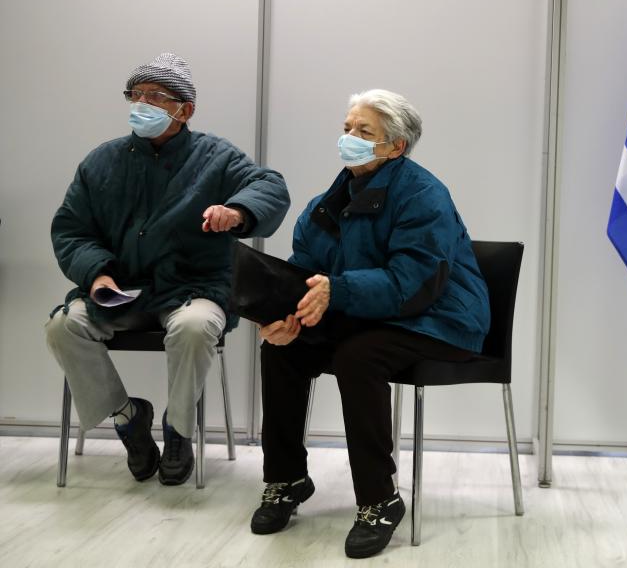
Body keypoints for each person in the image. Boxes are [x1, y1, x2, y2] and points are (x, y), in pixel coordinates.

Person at [250, 89, 490, 559]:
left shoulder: (424, 195)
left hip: (440, 320)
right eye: (347, 129)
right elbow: (305, 273)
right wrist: (285, 317)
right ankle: (286, 479)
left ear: (395, 147)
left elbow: (414, 282)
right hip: (372, 315)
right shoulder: (329, 201)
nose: (350, 139)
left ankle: (380, 500)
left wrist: (337, 292)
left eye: (365, 132)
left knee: (357, 357)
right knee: (284, 348)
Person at [46, 52, 291, 486]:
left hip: (193, 287)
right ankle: (128, 418)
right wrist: (96, 274)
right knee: (63, 327)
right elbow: (70, 229)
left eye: (155, 96)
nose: (141, 104)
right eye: (135, 94)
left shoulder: (216, 157)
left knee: (196, 327)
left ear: (186, 109)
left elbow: (270, 187)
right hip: (120, 288)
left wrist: (236, 212)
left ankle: (178, 431)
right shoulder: (102, 161)